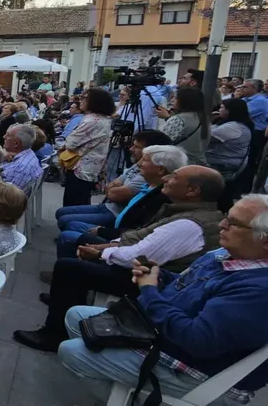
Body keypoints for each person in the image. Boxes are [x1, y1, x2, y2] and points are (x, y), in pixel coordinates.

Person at [54, 194, 268, 404]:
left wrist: (150, 291)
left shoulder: (264, 291)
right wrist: (159, 275)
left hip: (201, 373)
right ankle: (121, 387)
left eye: (234, 224)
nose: (222, 225)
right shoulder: (226, 255)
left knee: (72, 352)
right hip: (168, 336)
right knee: (76, 315)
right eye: (227, 217)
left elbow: (196, 340)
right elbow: (191, 285)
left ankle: (129, 399)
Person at [16, 166, 227, 352]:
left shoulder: (188, 225)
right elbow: (142, 241)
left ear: (192, 191)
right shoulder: (189, 213)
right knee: (83, 241)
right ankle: (64, 299)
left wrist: (101, 252)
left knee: (69, 268)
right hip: (143, 264)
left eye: (174, 178)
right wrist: (107, 245)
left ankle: (54, 334)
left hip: (146, 280)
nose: (166, 179)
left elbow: (139, 256)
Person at [53, 145, 186, 261]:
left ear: (160, 169)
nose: (139, 164)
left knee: (68, 234)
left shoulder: (160, 199)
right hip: (118, 230)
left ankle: (72, 271)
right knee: (68, 221)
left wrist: (103, 232)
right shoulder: (151, 186)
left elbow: (137, 232)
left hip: (121, 241)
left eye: (144, 160)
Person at [55, 129, 172, 231]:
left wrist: (114, 188)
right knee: (61, 212)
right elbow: (113, 184)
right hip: (108, 206)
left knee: (66, 221)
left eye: (136, 147)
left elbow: (114, 194)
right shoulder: (138, 165)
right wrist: (114, 188)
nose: (131, 149)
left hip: (115, 214)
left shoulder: (146, 175)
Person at [61, 88, 114, 206]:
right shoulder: (103, 119)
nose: (81, 101)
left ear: (95, 101)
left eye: (84, 98)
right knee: (81, 200)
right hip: (90, 167)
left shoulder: (92, 120)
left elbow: (70, 143)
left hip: (81, 168)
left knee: (73, 203)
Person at [156, 87, 210, 166]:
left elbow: (162, 143)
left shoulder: (178, 119)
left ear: (185, 101)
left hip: (180, 163)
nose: (173, 100)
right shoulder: (204, 117)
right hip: (199, 162)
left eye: (176, 98)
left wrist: (169, 118)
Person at [207, 97, 254, 178]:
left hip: (222, 165)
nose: (219, 110)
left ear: (230, 111)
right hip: (220, 161)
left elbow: (204, 137)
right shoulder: (230, 123)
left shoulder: (234, 127)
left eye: (222, 107)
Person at [0, 125, 43, 195]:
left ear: (16, 143)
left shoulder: (20, 168)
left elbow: (6, 197)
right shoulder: (29, 154)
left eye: (8, 135)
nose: (4, 137)